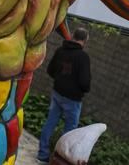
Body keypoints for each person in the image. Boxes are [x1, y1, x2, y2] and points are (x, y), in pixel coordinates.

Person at [37, 27, 91, 164]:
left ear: (73, 35)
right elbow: (85, 82)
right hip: (73, 99)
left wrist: (60, 79)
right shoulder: (83, 57)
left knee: (50, 122)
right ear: (85, 40)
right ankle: (60, 160)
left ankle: (42, 154)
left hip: (57, 93)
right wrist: (84, 89)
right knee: (70, 132)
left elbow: (50, 70)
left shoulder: (60, 51)